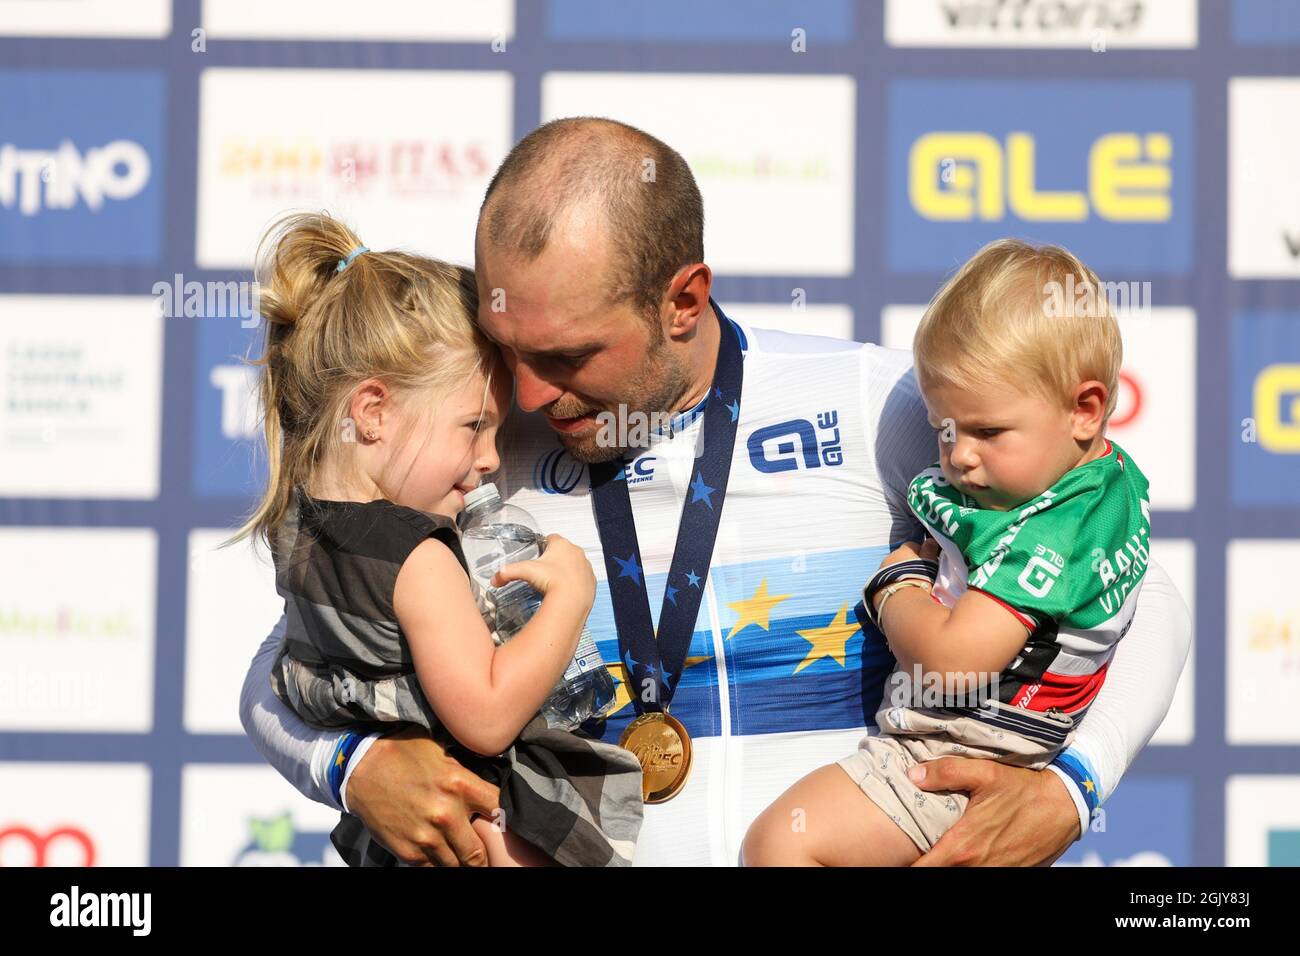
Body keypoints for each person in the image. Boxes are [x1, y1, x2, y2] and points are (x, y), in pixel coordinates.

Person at [239, 117, 1191, 867]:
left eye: (568, 356)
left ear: (683, 300)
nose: (526, 396)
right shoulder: (477, 452)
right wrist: (351, 765)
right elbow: (283, 665)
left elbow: (1147, 597)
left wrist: (1073, 786)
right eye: (511, 354)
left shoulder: (879, 405)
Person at [231, 211, 642, 867]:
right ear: (372, 412)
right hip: (481, 825)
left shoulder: (303, 532)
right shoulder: (419, 554)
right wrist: (570, 597)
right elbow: (485, 715)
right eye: (474, 426)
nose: (488, 459)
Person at [742, 239, 1151, 865]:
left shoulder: (1060, 528)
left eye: (988, 431)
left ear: (1085, 410)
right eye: (945, 430)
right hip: (959, 746)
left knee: (781, 845)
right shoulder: (1083, 480)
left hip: (960, 760)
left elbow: (956, 663)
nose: (960, 455)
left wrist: (895, 585)